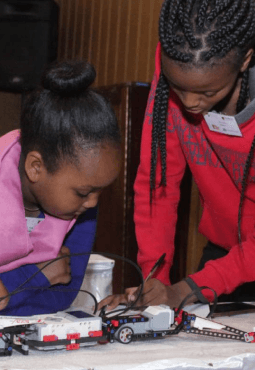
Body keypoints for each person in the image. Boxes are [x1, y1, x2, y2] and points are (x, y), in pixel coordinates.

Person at [99, 0, 255, 311]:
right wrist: (156, 282)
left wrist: (189, 288)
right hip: (223, 256)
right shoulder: (182, 68)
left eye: (207, 93)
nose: (189, 103)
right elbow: (158, 185)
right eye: (177, 88)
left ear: (245, 60)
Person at [0, 60, 121, 315]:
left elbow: (59, 298)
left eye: (100, 190)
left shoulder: (78, 203)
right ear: (35, 168)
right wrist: (35, 276)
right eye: (83, 192)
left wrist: (9, 288)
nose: (92, 203)